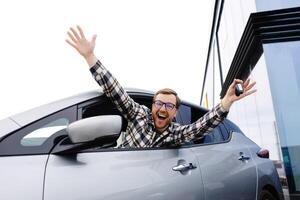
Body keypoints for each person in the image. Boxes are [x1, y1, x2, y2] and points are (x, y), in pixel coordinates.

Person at [66, 25, 256, 148]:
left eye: (169, 106)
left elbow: (200, 127)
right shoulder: (138, 114)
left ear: (174, 113)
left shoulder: (175, 134)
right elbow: (117, 92)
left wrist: (226, 102)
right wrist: (90, 58)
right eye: (159, 103)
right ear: (152, 106)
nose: (162, 109)